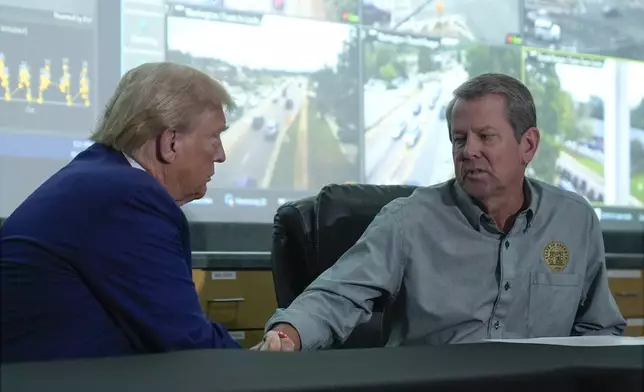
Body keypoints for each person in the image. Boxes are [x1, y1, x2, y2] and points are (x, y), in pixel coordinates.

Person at [253, 73, 626, 352]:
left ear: (528, 144)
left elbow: (599, 329)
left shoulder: (574, 220)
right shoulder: (409, 220)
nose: (468, 151)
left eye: (486, 137)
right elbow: (338, 295)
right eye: (459, 139)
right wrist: (288, 334)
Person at [1, 62, 241, 362]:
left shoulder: (101, 175)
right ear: (170, 143)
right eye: (214, 137)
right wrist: (264, 369)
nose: (221, 154)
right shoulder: (129, 198)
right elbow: (188, 344)